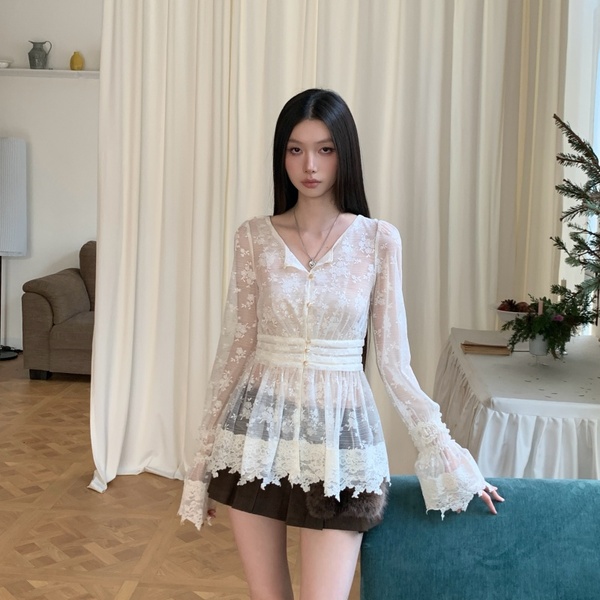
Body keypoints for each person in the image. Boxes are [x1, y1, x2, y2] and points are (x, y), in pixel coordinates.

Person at [179, 88, 504, 600]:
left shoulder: (377, 240)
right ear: (281, 155)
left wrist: (446, 454)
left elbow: (394, 363)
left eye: (325, 149)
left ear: (344, 153)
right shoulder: (253, 238)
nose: (309, 165)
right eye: (296, 149)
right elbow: (234, 351)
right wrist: (200, 462)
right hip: (255, 439)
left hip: (339, 445)